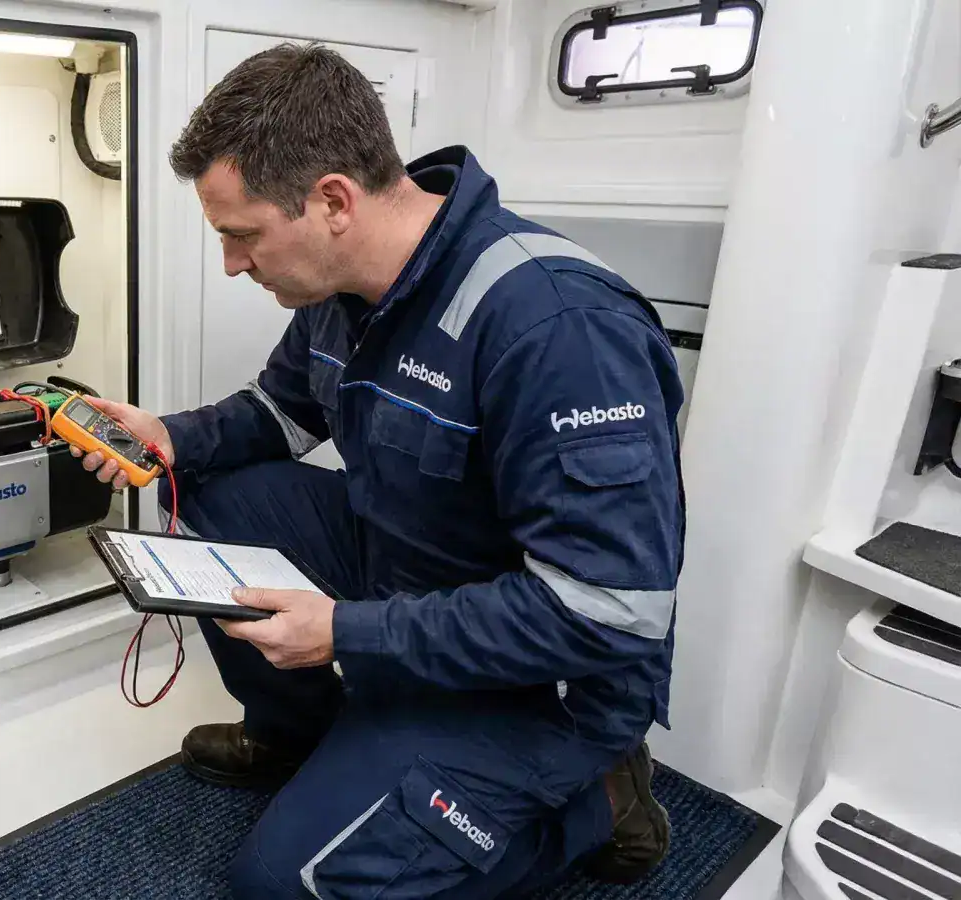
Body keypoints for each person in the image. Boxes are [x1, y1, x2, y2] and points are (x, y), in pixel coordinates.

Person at [76, 43, 683, 899]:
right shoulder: (339, 289)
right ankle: (300, 733)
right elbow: (283, 414)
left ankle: (600, 803)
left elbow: (609, 615)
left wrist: (348, 634)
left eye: (241, 236)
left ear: (331, 201)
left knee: (279, 888)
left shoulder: (557, 327)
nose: (233, 264)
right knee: (209, 486)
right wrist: (171, 440)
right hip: (404, 576)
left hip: (540, 677)